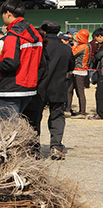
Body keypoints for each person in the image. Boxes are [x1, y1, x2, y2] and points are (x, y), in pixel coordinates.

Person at [0, 0, 42, 121]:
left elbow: (10, 63)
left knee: (9, 130)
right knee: (20, 129)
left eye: (2, 14)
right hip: (29, 87)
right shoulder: (36, 35)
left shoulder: (13, 36)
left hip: (10, 88)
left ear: (8, 13)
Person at [28, 20, 74, 160]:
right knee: (57, 117)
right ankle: (56, 147)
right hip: (58, 88)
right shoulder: (66, 48)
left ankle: (34, 149)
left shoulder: (40, 47)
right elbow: (71, 66)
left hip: (40, 87)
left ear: (44, 32)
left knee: (35, 118)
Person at [70, 29, 91, 116]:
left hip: (79, 71)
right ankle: (71, 108)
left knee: (80, 93)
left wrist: (74, 46)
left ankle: (82, 112)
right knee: (71, 90)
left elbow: (72, 54)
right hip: (81, 71)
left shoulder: (82, 47)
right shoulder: (88, 45)